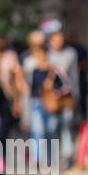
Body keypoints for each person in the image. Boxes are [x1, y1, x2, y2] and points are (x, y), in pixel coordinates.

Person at [22, 31, 65, 165]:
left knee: (51, 131)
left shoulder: (54, 69)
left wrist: (52, 86)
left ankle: (50, 159)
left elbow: (62, 86)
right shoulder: (33, 69)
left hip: (50, 104)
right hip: (37, 103)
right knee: (38, 132)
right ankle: (38, 159)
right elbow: (29, 88)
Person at [48, 27, 80, 164]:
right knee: (52, 126)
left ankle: (67, 155)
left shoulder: (71, 54)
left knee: (67, 125)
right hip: (52, 96)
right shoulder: (47, 55)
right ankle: (53, 155)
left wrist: (76, 95)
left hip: (67, 95)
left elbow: (74, 75)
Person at [0, 35, 25, 133]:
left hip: (8, 96)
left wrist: (16, 101)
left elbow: (15, 78)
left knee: (10, 127)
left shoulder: (11, 56)